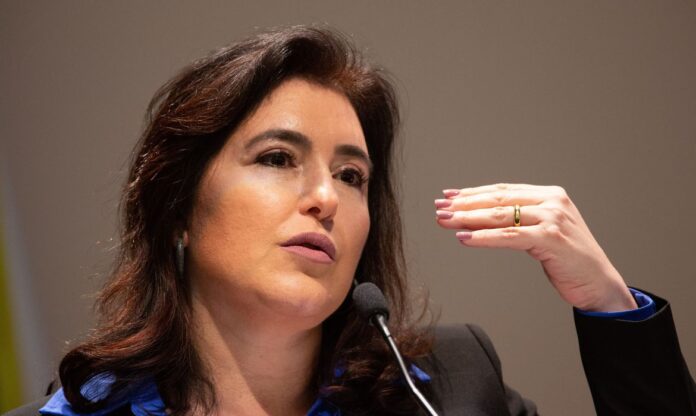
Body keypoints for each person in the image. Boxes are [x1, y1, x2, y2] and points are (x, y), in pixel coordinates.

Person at [4, 24, 695, 416]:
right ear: (178, 207)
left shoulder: (451, 387)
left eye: (351, 176)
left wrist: (605, 301)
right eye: (278, 158)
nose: (325, 198)